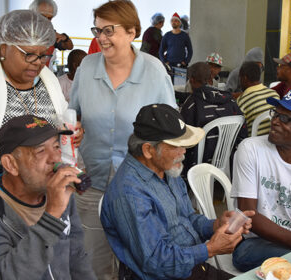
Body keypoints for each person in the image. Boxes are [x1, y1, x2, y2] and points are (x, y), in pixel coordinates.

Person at [69, 2, 177, 279]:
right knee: (93, 263)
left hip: (139, 191)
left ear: (132, 32)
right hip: (92, 183)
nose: (101, 38)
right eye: (97, 30)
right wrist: (75, 129)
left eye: (109, 30)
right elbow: (74, 115)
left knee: (140, 263)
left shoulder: (154, 72)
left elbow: (172, 132)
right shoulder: (86, 69)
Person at [101, 104, 254, 280]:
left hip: (190, 267)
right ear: (148, 150)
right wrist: (210, 249)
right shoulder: (130, 193)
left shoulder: (167, 169)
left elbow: (187, 218)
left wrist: (217, 225)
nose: (183, 153)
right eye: (176, 146)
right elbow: (156, 262)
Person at [231, 85, 291, 272]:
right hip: (250, 242)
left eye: (284, 118)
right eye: (275, 114)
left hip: (290, 246)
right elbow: (247, 214)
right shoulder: (250, 149)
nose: (275, 121)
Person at [0, 115, 96, 279]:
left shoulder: (58, 191)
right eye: (40, 151)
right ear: (11, 164)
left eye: (56, 146)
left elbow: (76, 255)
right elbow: (3, 275)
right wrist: (52, 215)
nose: (55, 159)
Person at [0, 10, 83, 180]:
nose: (38, 63)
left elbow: (63, 119)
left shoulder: (48, 80)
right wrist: (32, 156)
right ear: (4, 49)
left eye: (42, 55)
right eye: (29, 55)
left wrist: (71, 133)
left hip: (45, 184)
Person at [181, 62, 247, 176]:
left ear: (191, 80)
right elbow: (243, 132)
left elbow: (183, 137)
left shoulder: (192, 104)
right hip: (228, 158)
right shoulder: (230, 101)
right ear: (210, 78)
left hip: (199, 161)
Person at [238, 61, 280, 136]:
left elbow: (239, 129)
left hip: (253, 144)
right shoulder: (274, 94)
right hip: (274, 141)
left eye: (240, 78)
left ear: (245, 78)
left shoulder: (242, 100)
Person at [29, 0, 74, 67]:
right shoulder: (21, 31)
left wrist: (65, 38)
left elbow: (69, 46)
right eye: (43, 16)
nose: (46, 21)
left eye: (49, 18)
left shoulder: (50, 33)